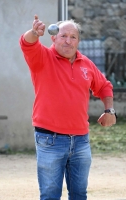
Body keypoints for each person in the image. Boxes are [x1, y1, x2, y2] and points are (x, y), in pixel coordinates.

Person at [19, 15, 116, 200]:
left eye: (73, 37)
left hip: (81, 141)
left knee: (79, 195)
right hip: (49, 139)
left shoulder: (86, 64)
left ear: (78, 41)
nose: (68, 41)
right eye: (63, 35)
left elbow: (104, 86)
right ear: (54, 37)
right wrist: (33, 33)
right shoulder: (43, 57)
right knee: (50, 196)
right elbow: (26, 44)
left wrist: (109, 110)